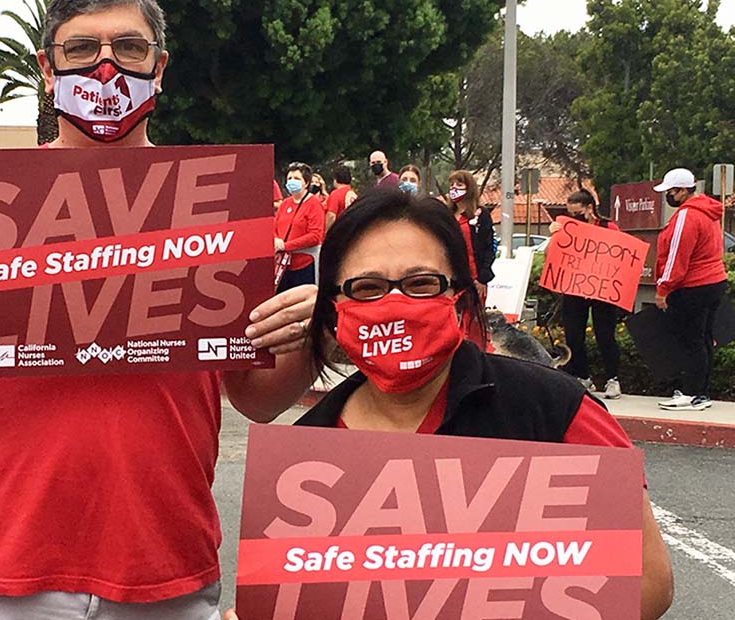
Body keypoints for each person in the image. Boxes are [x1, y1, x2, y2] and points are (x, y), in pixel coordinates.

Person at [0, 0, 319, 618]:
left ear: (161, 67)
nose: (106, 67)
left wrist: (312, 338)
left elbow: (252, 397)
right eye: (83, 49)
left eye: (129, 48)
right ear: (47, 68)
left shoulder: (217, 203)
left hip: (164, 566)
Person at [224, 188, 674, 620]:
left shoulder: (553, 408)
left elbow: (648, 582)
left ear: (459, 297)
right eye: (367, 288)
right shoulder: (304, 455)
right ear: (334, 306)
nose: (395, 304)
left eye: (421, 284)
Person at [652, 168, 729, 411]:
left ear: (684, 191)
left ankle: (690, 393)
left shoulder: (687, 216)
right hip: (714, 281)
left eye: (671, 191)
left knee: (690, 341)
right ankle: (701, 392)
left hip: (693, 286)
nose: (669, 196)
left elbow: (676, 257)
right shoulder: (709, 212)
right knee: (704, 339)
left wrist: (663, 289)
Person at [548, 189, 623, 399]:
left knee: (605, 335)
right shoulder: (566, 230)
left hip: (603, 289)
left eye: (577, 213)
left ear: (590, 209)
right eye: (570, 214)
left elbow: (620, 256)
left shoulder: (609, 228)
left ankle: (612, 379)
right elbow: (551, 255)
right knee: (574, 335)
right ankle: (582, 376)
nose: (574, 218)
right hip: (575, 287)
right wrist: (555, 235)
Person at [275, 161, 327, 293]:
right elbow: (276, 227)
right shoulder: (285, 204)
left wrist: (286, 246)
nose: (292, 181)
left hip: (303, 264)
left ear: (306, 183)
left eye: (296, 178)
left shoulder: (314, 204)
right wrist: (276, 241)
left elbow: (315, 236)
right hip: (283, 265)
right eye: (289, 178)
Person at [448, 170, 492, 293]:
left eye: (459, 185)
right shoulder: (447, 215)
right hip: (451, 279)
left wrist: (482, 278)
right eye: (452, 185)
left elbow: (489, 247)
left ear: (469, 189)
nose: (454, 188)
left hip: (475, 278)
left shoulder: (480, 214)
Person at [324, 165, 357, 229]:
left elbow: (331, 215)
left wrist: (325, 231)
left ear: (335, 179)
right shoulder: (353, 194)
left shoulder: (336, 194)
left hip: (339, 229)